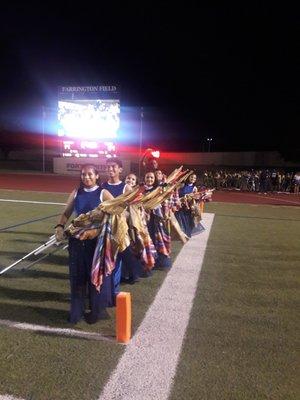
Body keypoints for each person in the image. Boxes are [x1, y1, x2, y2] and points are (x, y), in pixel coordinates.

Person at [55, 164, 108, 324]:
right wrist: (59, 226)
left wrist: (95, 232)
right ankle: (76, 313)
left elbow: (117, 216)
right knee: (77, 278)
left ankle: (95, 312)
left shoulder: (103, 193)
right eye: (83, 174)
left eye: (90, 174)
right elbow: (66, 213)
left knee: (94, 278)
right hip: (77, 242)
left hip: (95, 243)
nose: (86, 177)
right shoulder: (77, 192)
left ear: (97, 175)